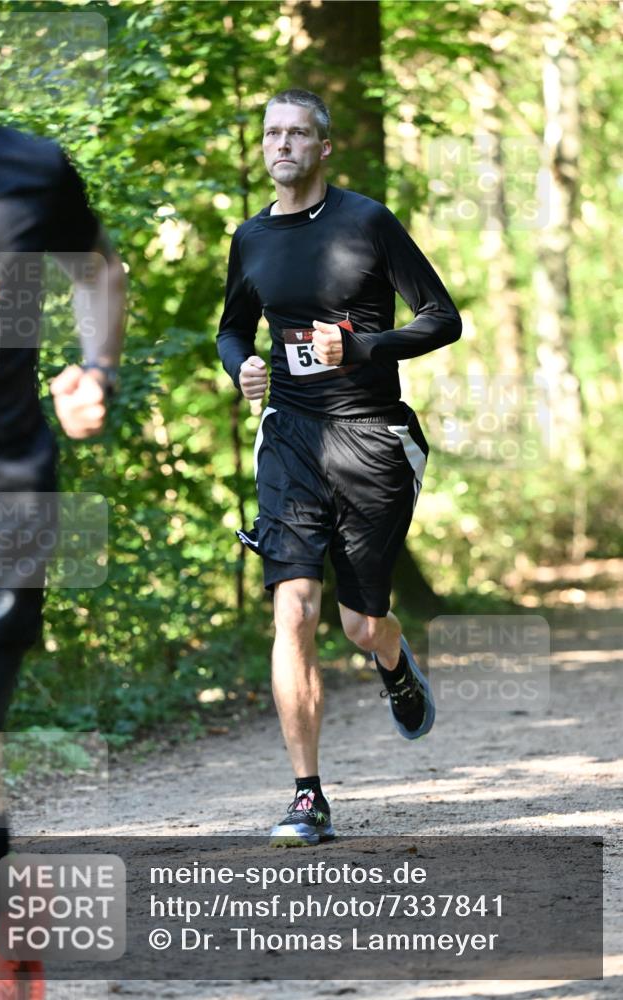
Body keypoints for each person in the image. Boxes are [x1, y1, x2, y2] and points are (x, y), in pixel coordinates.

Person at [217, 88, 461, 847]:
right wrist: (243, 367)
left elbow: (441, 319)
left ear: (323, 148)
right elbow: (229, 331)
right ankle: (306, 796)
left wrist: (361, 347)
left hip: (371, 437)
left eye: (297, 133)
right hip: (289, 436)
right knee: (293, 606)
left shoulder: (367, 221)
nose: (281, 144)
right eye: (271, 133)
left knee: (359, 623)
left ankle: (392, 661)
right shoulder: (250, 237)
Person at [0, 2, 127, 995]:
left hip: (8, 494)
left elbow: (98, 269)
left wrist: (94, 371)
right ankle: (7, 917)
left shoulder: (30, 169)